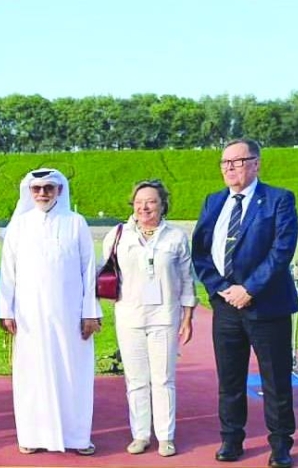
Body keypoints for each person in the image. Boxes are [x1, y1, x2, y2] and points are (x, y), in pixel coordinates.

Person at [192, 139, 298, 468]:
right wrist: (220, 288)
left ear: (256, 163)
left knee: (275, 379)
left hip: (266, 306)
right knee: (230, 378)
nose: (229, 168)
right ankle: (231, 439)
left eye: (237, 162)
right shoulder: (213, 201)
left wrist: (249, 289)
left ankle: (280, 444)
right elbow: (201, 251)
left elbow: (281, 250)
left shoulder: (278, 200)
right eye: (225, 162)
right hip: (225, 306)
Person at [0, 168, 101, 456]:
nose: (42, 193)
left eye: (49, 188)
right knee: (31, 374)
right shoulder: (19, 225)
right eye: (37, 188)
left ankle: (77, 437)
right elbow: (8, 271)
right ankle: (32, 435)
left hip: (70, 316)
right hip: (29, 317)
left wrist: (90, 312)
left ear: (59, 191)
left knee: (73, 372)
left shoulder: (76, 223)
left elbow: (88, 269)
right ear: (29, 192)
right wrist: (6, 311)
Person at [101, 180, 196, 458]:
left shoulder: (176, 236)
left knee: (163, 378)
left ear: (163, 204)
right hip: (129, 315)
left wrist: (187, 317)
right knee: (136, 379)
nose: (144, 207)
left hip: (164, 315)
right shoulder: (118, 235)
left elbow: (187, 278)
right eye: (139, 201)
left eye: (151, 201)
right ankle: (140, 434)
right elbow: (102, 271)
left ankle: (166, 436)